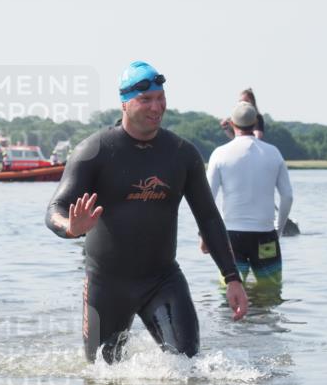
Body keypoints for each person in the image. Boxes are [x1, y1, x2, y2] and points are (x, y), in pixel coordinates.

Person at [45, 61, 247, 364]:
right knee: (103, 384)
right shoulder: (96, 150)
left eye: (160, 98)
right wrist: (71, 228)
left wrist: (232, 277)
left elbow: (208, 217)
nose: (156, 107)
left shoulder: (181, 154)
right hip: (106, 283)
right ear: (125, 103)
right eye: (146, 99)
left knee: (186, 370)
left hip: (162, 280)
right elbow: (55, 210)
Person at [204, 101, 294, 288]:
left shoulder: (220, 154)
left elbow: (206, 198)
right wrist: (278, 230)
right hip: (265, 235)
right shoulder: (273, 153)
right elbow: (287, 197)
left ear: (231, 124)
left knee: (229, 293)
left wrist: (204, 235)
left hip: (231, 237)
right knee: (270, 292)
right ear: (255, 123)